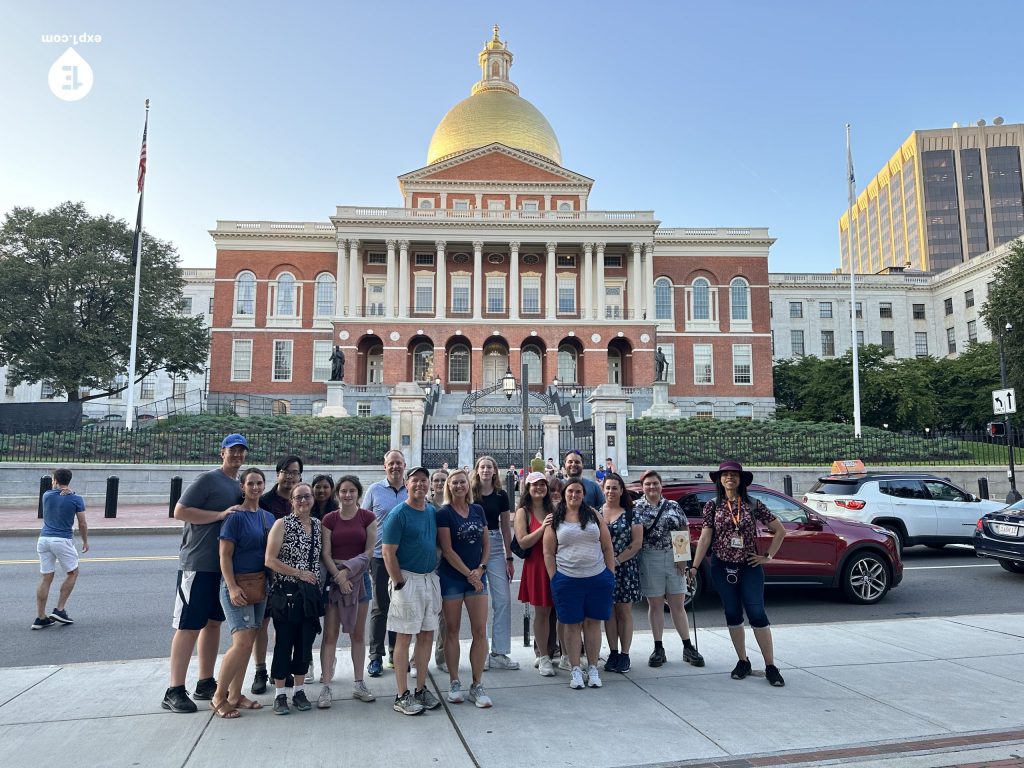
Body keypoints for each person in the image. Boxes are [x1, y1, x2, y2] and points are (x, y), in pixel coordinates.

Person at [162, 433, 246, 714]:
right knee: (188, 625)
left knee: (213, 623)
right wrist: (220, 515)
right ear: (221, 452)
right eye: (232, 451)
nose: (236, 455)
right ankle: (174, 689)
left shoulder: (238, 484)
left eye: (241, 451)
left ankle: (205, 681)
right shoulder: (208, 480)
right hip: (197, 563)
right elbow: (180, 511)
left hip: (222, 567)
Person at [690, 460, 787, 687]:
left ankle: (770, 666)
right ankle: (742, 661)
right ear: (719, 480)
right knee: (732, 614)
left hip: (749, 566)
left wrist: (768, 556)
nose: (729, 478)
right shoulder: (712, 506)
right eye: (725, 475)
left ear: (741, 479)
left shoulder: (753, 504)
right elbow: (705, 538)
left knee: (757, 614)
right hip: (722, 567)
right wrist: (694, 566)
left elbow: (779, 530)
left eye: (734, 474)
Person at [209, 467, 275, 718]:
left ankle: (236, 695)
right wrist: (233, 586)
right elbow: (224, 556)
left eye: (259, 483)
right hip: (237, 585)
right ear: (242, 487)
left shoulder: (267, 518)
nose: (256, 487)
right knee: (241, 641)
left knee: (249, 642)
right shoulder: (234, 517)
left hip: (260, 584)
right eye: (251, 483)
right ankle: (219, 696)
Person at [543, 477, 616, 690]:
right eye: (570, 492)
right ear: (564, 494)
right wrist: (554, 578)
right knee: (572, 625)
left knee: (593, 624)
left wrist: (609, 573)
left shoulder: (593, 515)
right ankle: (575, 669)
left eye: (578, 492)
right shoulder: (555, 518)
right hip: (567, 578)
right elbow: (548, 552)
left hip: (597, 577)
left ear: (583, 494)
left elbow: (607, 546)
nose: (574, 495)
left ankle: (592, 667)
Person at [382, 466, 442, 716]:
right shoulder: (398, 514)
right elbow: (387, 551)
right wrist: (398, 582)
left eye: (423, 481)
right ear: (407, 484)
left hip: (429, 579)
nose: (420, 485)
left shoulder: (430, 510)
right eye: (415, 481)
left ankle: (419, 689)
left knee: (427, 634)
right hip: (407, 579)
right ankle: (401, 694)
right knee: (404, 637)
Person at [634, 469, 704, 669]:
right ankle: (658, 647)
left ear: (660, 485)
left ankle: (687, 645)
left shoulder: (673, 505)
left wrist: (682, 557)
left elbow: (683, 528)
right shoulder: (637, 507)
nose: (652, 487)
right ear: (643, 487)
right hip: (650, 557)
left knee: (677, 603)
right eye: (648, 484)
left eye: (655, 483)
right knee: (655, 604)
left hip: (674, 558)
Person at [319, 475, 377, 707]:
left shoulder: (367, 517)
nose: (347, 495)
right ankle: (325, 686)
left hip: (360, 579)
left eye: (352, 491)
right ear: (337, 494)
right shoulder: (329, 519)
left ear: (358, 494)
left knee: (358, 634)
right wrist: (338, 576)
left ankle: (359, 683)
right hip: (336, 580)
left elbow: (370, 551)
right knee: (330, 635)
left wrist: (348, 572)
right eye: (343, 491)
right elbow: (325, 552)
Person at [437, 469, 493, 707]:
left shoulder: (478, 510)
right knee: (452, 630)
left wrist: (480, 568)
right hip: (453, 577)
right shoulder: (444, 513)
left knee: (480, 631)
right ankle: (454, 681)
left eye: (462, 482)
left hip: (478, 576)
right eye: (455, 483)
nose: (459, 486)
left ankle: (477, 684)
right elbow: (447, 550)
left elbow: (486, 544)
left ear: (468, 486)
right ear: (449, 487)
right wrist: (470, 574)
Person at [265, 482, 323, 715]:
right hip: (286, 593)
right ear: (292, 502)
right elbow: (270, 559)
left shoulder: (318, 525)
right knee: (284, 643)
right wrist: (299, 573)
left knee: (304, 644)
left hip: (308, 596)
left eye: (306, 496)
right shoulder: (282, 524)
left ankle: (299, 690)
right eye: (298, 497)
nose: (303, 501)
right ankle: (280, 695)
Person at [251, 454, 304, 694]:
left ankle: (278, 670)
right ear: (278, 474)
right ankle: (260, 670)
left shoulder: (302, 500)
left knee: (284, 624)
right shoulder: (263, 501)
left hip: (291, 574)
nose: (290, 476)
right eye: (286, 471)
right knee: (261, 623)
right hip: (265, 571)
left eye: (294, 472)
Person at [362, 449, 409, 677]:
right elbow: (363, 521)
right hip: (380, 558)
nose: (395, 467)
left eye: (398, 463)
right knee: (381, 607)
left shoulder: (411, 490)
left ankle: (395, 653)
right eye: (391, 463)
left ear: (404, 465)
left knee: (401, 608)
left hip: (405, 559)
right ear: (385, 466)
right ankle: (375, 656)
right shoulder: (374, 490)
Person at [470, 455, 519, 670]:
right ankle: (481, 651)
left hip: (497, 544)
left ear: (495, 470)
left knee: (503, 600)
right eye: (483, 467)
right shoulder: (471, 493)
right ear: (477, 470)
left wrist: (510, 557)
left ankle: (499, 652)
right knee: (478, 601)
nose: (486, 470)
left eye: (490, 466)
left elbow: (507, 527)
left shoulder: (501, 495)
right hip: (474, 545)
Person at [33, 468, 88, 630]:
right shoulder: (76, 499)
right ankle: (60, 609)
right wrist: (85, 541)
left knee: (46, 577)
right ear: (69, 481)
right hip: (62, 540)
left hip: (43, 539)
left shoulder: (47, 496)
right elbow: (82, 523)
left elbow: (55, 494)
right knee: (73, 572)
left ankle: (41, 617)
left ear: (55, 481)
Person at [514, 472, 556, 676]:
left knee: (559, 613)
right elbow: (522, 541)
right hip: (537, 566)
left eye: (542, 485)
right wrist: (543, 528)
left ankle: (560, 653)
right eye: (534, 485)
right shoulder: (524, 512)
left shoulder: (553, 508)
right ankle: (543, 656)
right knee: (542, 613)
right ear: (527, 489)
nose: (539, 488)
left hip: (556, 565)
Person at [601, 472, 643, 673]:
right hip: (602, 570)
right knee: (608, 612)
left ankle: (625, 654)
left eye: (614, 488)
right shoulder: (597, 513)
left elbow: (636, 543)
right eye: (607, 487)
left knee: (624, 612)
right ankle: (613, 652)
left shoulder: (631, 513)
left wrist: (616, 561)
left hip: (625, 568)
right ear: (603, 489)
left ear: (621, 490)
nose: (611, 491)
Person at [428, 467, 450, 671]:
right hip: (429, 563)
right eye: (436, 480)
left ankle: (441, 656)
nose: (440, 483)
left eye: (444, 479)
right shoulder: (425, 506)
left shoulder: (453, 505)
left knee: (445, 614)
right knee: (424, 613)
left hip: (448, 563)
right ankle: (418, 658)